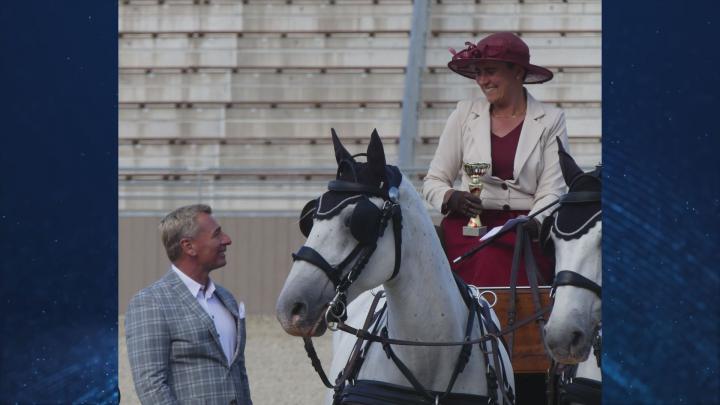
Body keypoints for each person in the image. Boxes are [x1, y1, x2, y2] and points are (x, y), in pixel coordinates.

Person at [423, 32, 569, 288]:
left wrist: (533, 223)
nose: (482, 80)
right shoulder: (463, 113)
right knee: (486, 258)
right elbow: (434, 180)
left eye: (490, 71)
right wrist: (451, 197)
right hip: (469, 231)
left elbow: (552, 189)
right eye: (478, 72)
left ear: (518, 72)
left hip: (528, 231)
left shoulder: (551, 119)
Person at [125, 204, 252, 405]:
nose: (227, 240)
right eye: (217, 234)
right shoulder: (150, 303)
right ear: (188, 246)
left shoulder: (226, 299)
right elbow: (151, 386)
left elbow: (239, 373)